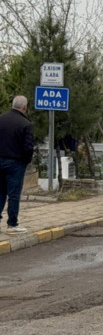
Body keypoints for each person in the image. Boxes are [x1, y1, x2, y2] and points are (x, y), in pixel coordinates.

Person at [0, 96, 34, 234]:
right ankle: (12, 224)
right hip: (16, 164)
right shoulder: (25, 124)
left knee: (0, 192)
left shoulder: (1, 119)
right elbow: (28, 147)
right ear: (24, 107)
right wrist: (25, 161)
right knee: (13, 194)